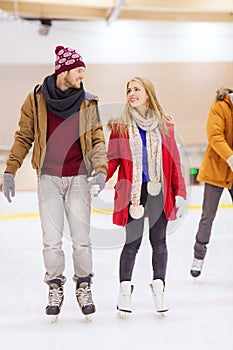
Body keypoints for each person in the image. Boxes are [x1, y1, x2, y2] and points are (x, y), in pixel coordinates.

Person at [2, 45, 107, 321]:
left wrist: (101, 169)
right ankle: (55, 287)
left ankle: (84, 285)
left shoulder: (87, 101)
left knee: (82, 240)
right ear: (64, 70)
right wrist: (10, 170)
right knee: (51, 241)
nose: (82, 76)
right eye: (79, 71)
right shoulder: (35, 99)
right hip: (48, 178)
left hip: (78, 178)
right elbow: (24, 137)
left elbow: (97, 139)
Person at [106, 77, 187, 317]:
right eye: (129, 90)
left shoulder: (165, 126)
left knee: (159, 241)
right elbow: (112, 160)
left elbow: (175, 162)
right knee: (132, 244)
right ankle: (124, 291)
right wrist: (98, 176)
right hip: (132, 193)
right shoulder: (121, 127)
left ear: (148, 93)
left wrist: (180, 193)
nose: (132, 93)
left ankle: (159, 288)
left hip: (158, 190)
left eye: (137, 89)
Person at [190, 88, 233, 278]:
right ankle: (198, 259)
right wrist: (231, 158)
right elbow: (215, 136)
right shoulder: (219, 107)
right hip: (217, 168)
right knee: (207, 217)